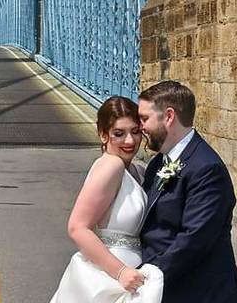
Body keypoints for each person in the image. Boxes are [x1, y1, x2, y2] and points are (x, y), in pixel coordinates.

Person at [50, 97, 164, 303]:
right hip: (109, 277)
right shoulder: (111, 165)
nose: (130, 141)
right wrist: (120, 272)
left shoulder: (136, 170)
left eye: (135, 131)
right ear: (103, 135)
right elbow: (77, 227)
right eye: (119, 134)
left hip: (132, 274)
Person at [138, 81, 237, 303]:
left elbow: (194, 240)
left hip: (199, 292)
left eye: (145, 118)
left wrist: (145, 276)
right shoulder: (158, 164)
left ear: (168, 116)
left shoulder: (206, 168)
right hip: (166, 289)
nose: (141, 127)